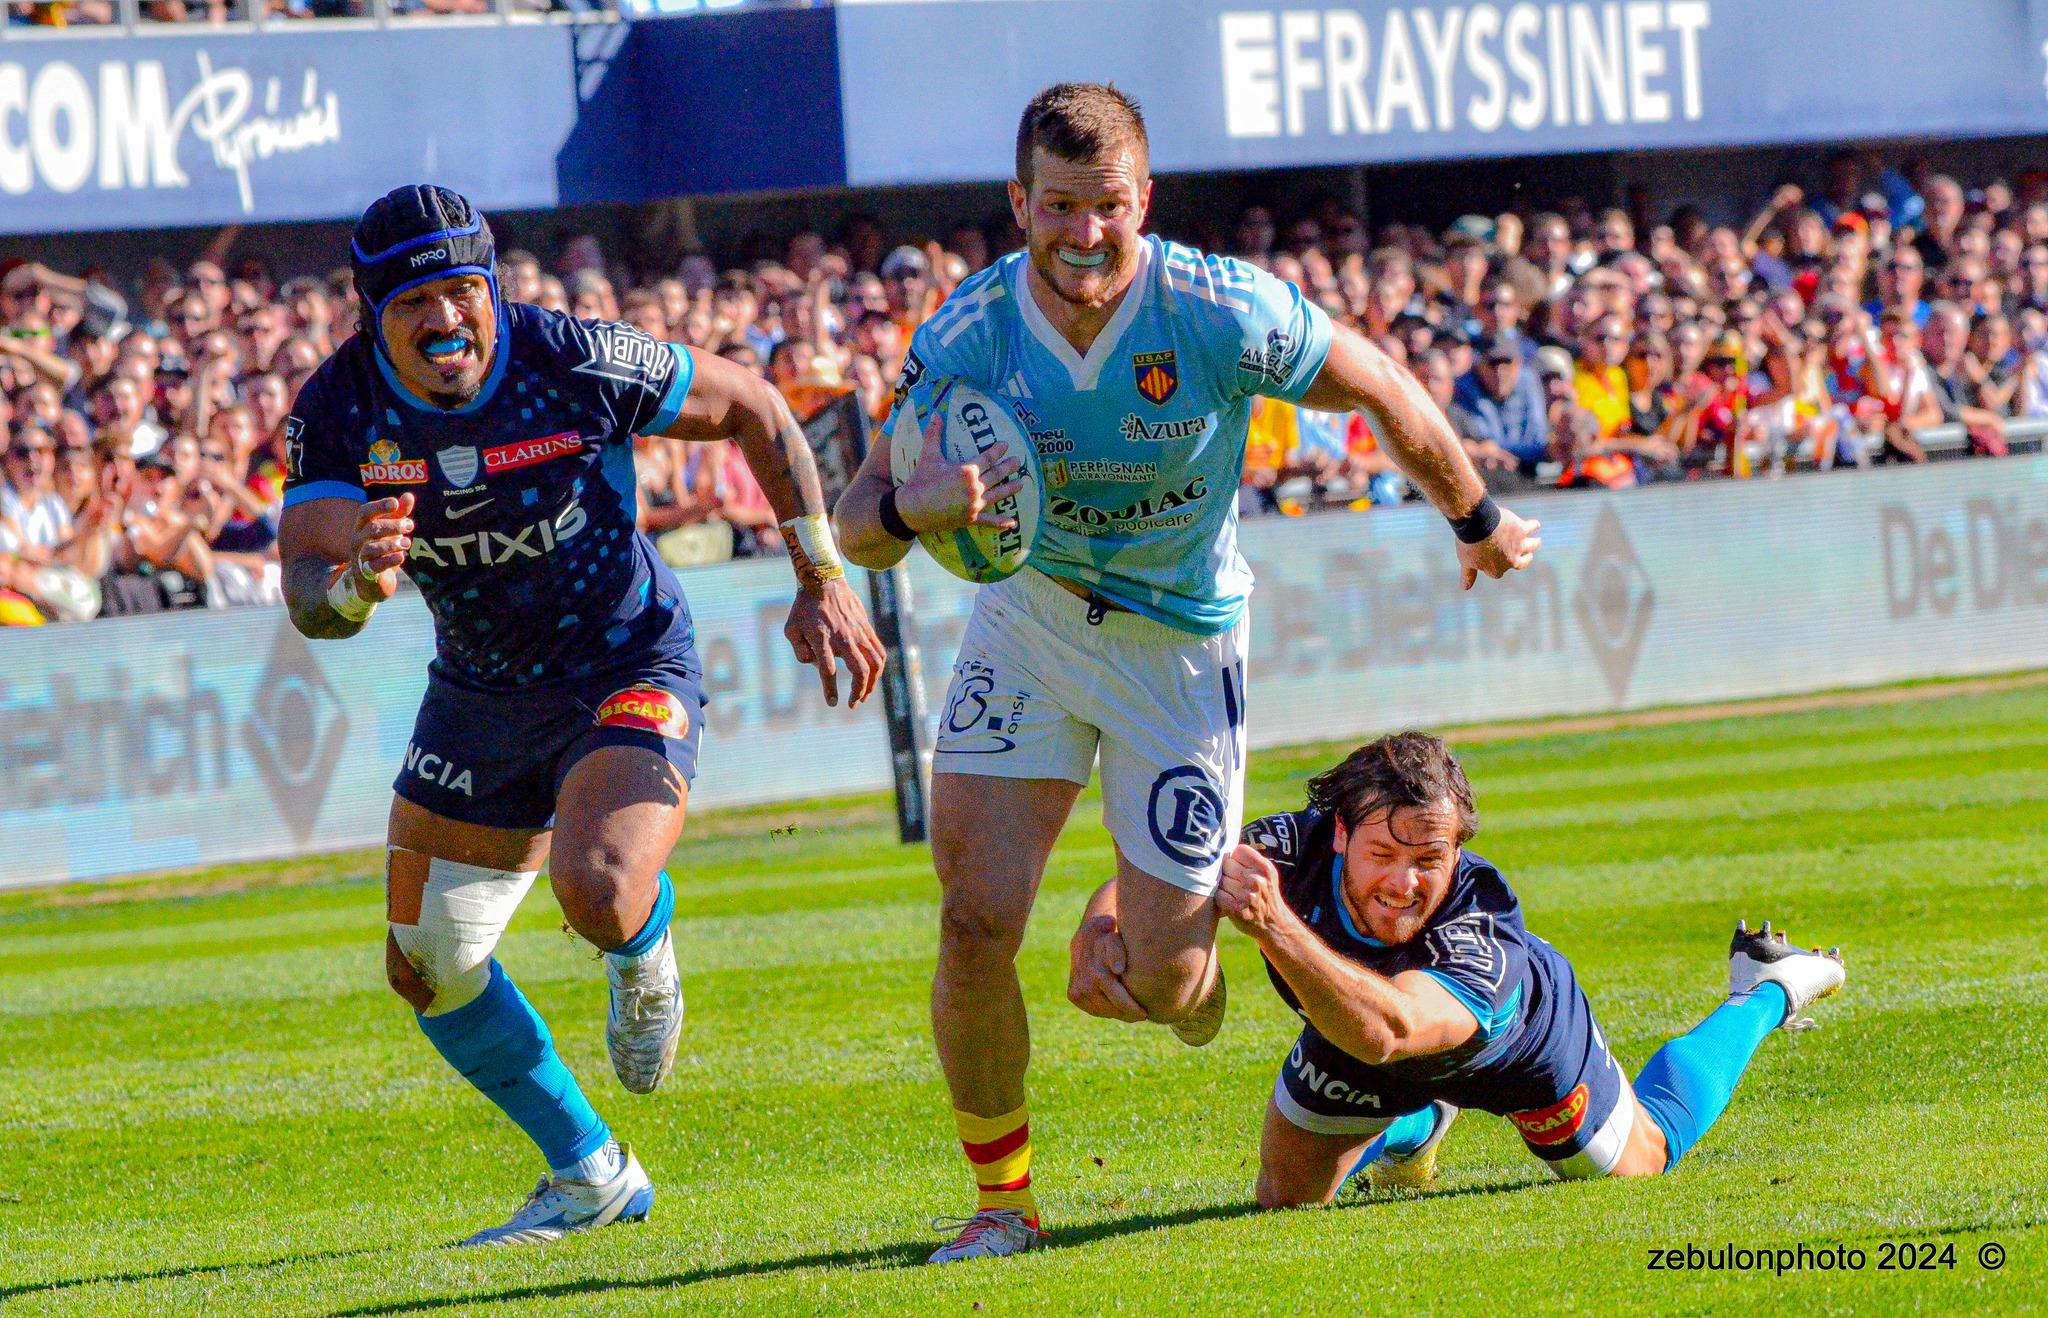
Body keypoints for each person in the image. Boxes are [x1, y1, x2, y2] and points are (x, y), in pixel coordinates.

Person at [833, 84, 1539, 1263]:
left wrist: (1471, 517)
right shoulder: (968, 329)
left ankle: (1270, 1024)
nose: (1083, 233)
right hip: (1031, 624)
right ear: (1019, 204)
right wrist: (918, 504)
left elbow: (1375, 382)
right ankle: (1001, 1204)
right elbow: (859, 515)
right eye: (1058, 206)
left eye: (1107, 205)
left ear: (1141, 201)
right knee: (971, 922)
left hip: (1180, 647)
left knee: (1165, 986)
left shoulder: (1216, 307)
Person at [276, 186, 884, 1247]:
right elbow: (307, 589)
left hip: (626, 657)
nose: (446, 318)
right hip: (480, 691)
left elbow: (755, 406)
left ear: (494, 289)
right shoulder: (337, 408)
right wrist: (350, 590)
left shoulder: (574, 358)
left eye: (464, 289)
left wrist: (819, 571)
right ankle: (591, 1172)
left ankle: (641, 954)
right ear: (372, 314)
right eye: (416, 300)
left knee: (597, 887)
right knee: (425, 963)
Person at [1194, 733, 1847, 1205]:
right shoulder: (1289, 846)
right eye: (1383, 853)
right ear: (1338, 833)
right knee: (1285, 1201)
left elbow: (1389, 1031)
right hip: (1359, 1042)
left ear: (1457, 849)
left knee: (1643, 1158)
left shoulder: (1482, 920)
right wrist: (1112, 929)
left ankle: (1765, 990)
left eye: (1428, 858)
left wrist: (1275, 927)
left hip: (1524, 1054)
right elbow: (1171, 874)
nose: (1403, 881)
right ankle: (1415, 1125)